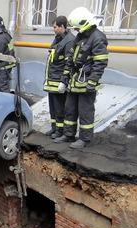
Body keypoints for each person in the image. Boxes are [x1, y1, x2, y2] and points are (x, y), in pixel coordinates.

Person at [55, 7, 108, 148]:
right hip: (74, 81)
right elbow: (70, 60)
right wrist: (64, 80)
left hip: (86, 82)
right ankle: (68, 134)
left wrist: (92, 82)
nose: (76, 31)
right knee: (70, 109)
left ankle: (84, 139)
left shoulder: (98, 37)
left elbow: (100, 62)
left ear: (85, 23)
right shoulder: (80, 36)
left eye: (78, 28)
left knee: (85, 112)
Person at [43, 15, 75, 139]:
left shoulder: (69, 40)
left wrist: (64, 81)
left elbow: (69, 63)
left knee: (60, 107)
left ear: (62, 26)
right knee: (53, 106)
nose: (54, 29)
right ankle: (54, 128)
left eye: (55, 27)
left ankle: (60, 131)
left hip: (59, 81)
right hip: (52, 79)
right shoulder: (58, 38)